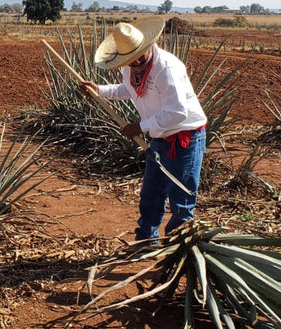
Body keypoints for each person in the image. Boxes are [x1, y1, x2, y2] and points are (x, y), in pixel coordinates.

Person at [78, 16, 207, 242]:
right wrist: (100, 90)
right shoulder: (132, 68)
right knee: (151, 194)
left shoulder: (166, 69)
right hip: (159, 137)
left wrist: (140, 126)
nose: (136, 64)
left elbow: (178, 113)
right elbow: (129, 88)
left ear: (147, 46)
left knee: (181, 198)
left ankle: (178, 251)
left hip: (184, 138)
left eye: (139, 58)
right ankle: (147, 240)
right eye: (130, 61)